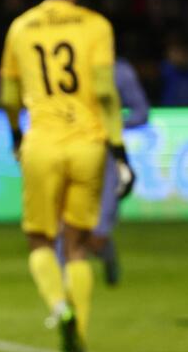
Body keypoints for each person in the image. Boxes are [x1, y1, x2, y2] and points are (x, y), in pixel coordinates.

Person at [0, 0, 133, 352]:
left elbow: (8, 94)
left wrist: (16, 134)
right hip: (89, 144)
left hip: (42, 142)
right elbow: (107, 93)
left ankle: (60, 307)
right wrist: (118, 148)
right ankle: (80, 334)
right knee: (76, 246)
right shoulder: (96, 26)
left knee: (40, 239)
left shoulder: (21, 27)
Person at [55, 56, 149, 285]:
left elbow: (141, 111)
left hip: (105, 156)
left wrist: (114, 127)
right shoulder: (60, 64)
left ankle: (106, 253)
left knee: (96, 234)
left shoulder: (119, 71)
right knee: (63, 227)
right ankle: (63, 291)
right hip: (67, 150)